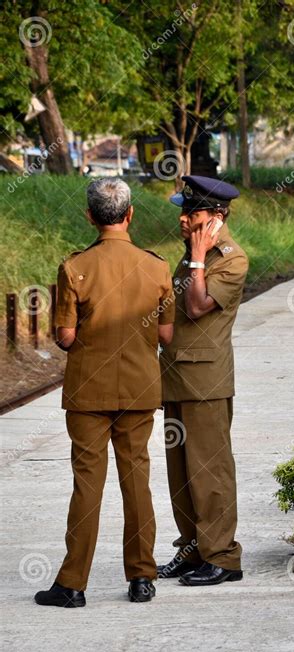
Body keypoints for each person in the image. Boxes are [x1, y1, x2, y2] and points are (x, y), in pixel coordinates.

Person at [34, 178, 175, 607]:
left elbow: (65, 336)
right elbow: (166, 336)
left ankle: (73, 584)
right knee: (137, 483)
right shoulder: (157, 267)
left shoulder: (75, 267)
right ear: (130, 215)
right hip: (138, 390)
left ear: (91, 216)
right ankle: (141, 579)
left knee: (87, 485)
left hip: (88, 393)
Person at [158, 175, 248, 586]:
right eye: (182, 210)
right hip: (176, 375)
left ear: (215, 217)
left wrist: (196, 256)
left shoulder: (230, 258)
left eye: (190, 212)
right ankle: (193, 549)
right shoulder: (192, 254)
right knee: (181, 473)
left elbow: (195, 307)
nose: (181, 218)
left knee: (209, 471)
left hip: (206, 382)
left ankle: (224, 557)